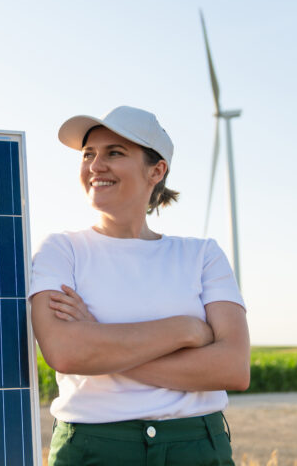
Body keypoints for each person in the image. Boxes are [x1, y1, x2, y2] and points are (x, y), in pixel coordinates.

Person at [28, 105, 250, 465]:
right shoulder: (60, 250)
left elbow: (233, 368)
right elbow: (65, 353)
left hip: (194, 445)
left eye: (114, 153)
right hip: (93, 448)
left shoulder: (203, 255)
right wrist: (185, 330)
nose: (96, 165)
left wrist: (98, 340)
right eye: (89, 154)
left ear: (156, 170)